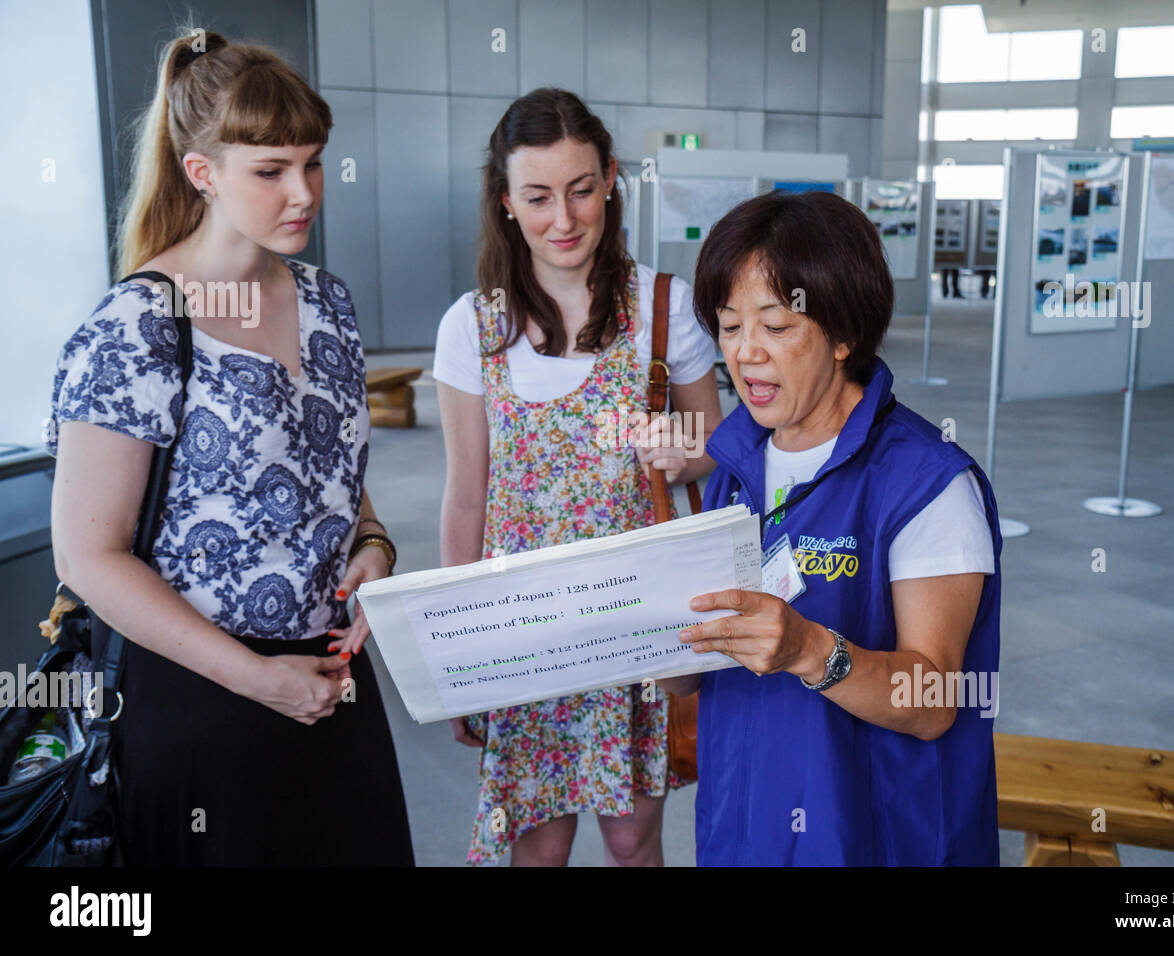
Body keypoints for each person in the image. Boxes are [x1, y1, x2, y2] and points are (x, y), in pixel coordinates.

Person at [46, 29, 414, 865]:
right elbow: (89, 556)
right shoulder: (137, 327)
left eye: (313, 163)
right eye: (271, 170)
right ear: (201, 172)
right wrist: (257, 679)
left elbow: (330, 470)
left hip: (330, 682)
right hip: (200, 697)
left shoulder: (330, 304)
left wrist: (373, 542)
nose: (305, 192)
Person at [659, 190, 1002, 866]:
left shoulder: (925, 483)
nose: (746, 353)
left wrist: (810, 650)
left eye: (776, 326)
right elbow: (695, 675)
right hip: (746, 824)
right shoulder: (736, 464)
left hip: (873, 837)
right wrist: (641, 635)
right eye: (729, 326)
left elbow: (933, 701)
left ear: (845, 334)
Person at [433, 88, 723, 866]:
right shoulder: (474, 325)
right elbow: (467, 495)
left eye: (581, 190)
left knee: (633, 838)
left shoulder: (663, 307)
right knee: (539, 843)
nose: (563, 219)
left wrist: (678, 442)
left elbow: (719, 448)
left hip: (637, 614)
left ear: (611, 182)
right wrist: (459, 653)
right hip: (527, 626)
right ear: (505, 201)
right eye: (537, 197)